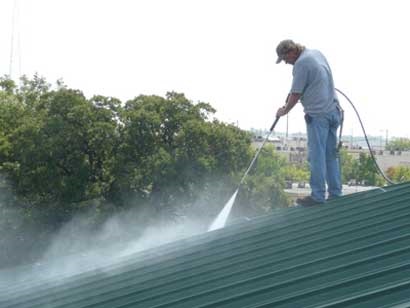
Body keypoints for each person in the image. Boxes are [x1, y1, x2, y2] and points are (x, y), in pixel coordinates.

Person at [275, 39, 342, 206]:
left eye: (285, 58)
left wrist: (284, 110)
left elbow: (296, 93)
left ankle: (318, 196)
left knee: (316, 157)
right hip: (334, 111)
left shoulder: (301, 64)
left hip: (319, 116)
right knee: (330, 155)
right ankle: (335, 193)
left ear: (291, 52)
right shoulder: (316, 53)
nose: (286, 62)